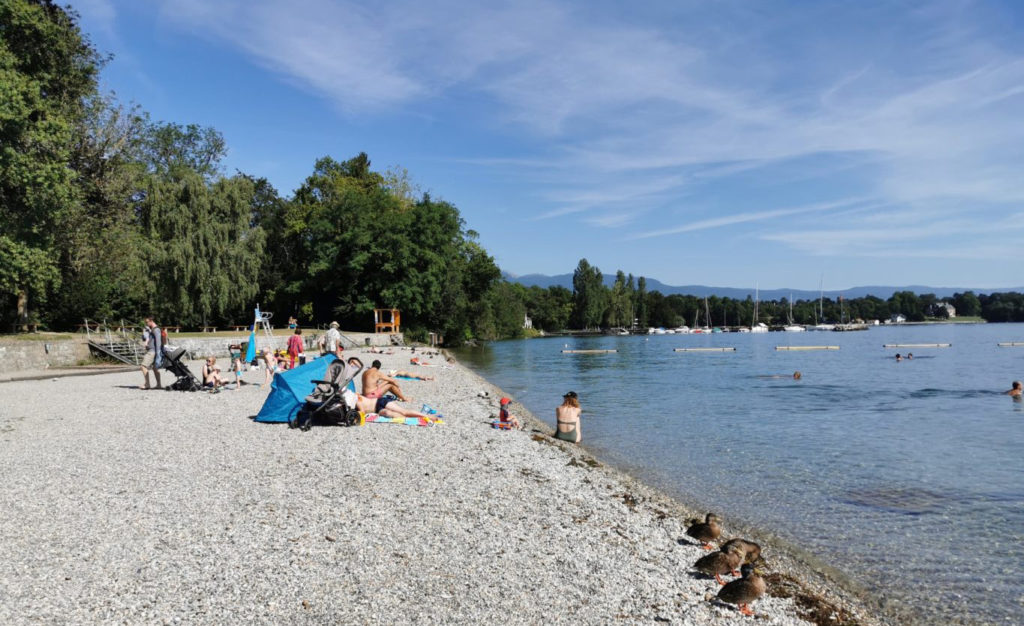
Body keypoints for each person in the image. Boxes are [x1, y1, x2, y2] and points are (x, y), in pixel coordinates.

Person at [343, 389, 431, 420]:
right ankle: (411, 418)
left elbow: (362, 411)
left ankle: (426, 416)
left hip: (380, 401)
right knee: (389, 414)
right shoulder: (354, 397)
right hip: (377, 410)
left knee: (404, 411)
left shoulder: (356, 399)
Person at [139, 317, 162, 389]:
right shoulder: (152, 329)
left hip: (153, 351)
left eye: (147, 322)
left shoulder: (156, 330)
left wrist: (158, 353)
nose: (146, 324)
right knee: (155, 368)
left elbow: (158, 342)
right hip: (153, 350)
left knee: (143, 366)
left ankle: (147, 384)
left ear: (151, 321)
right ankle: (158, 385)